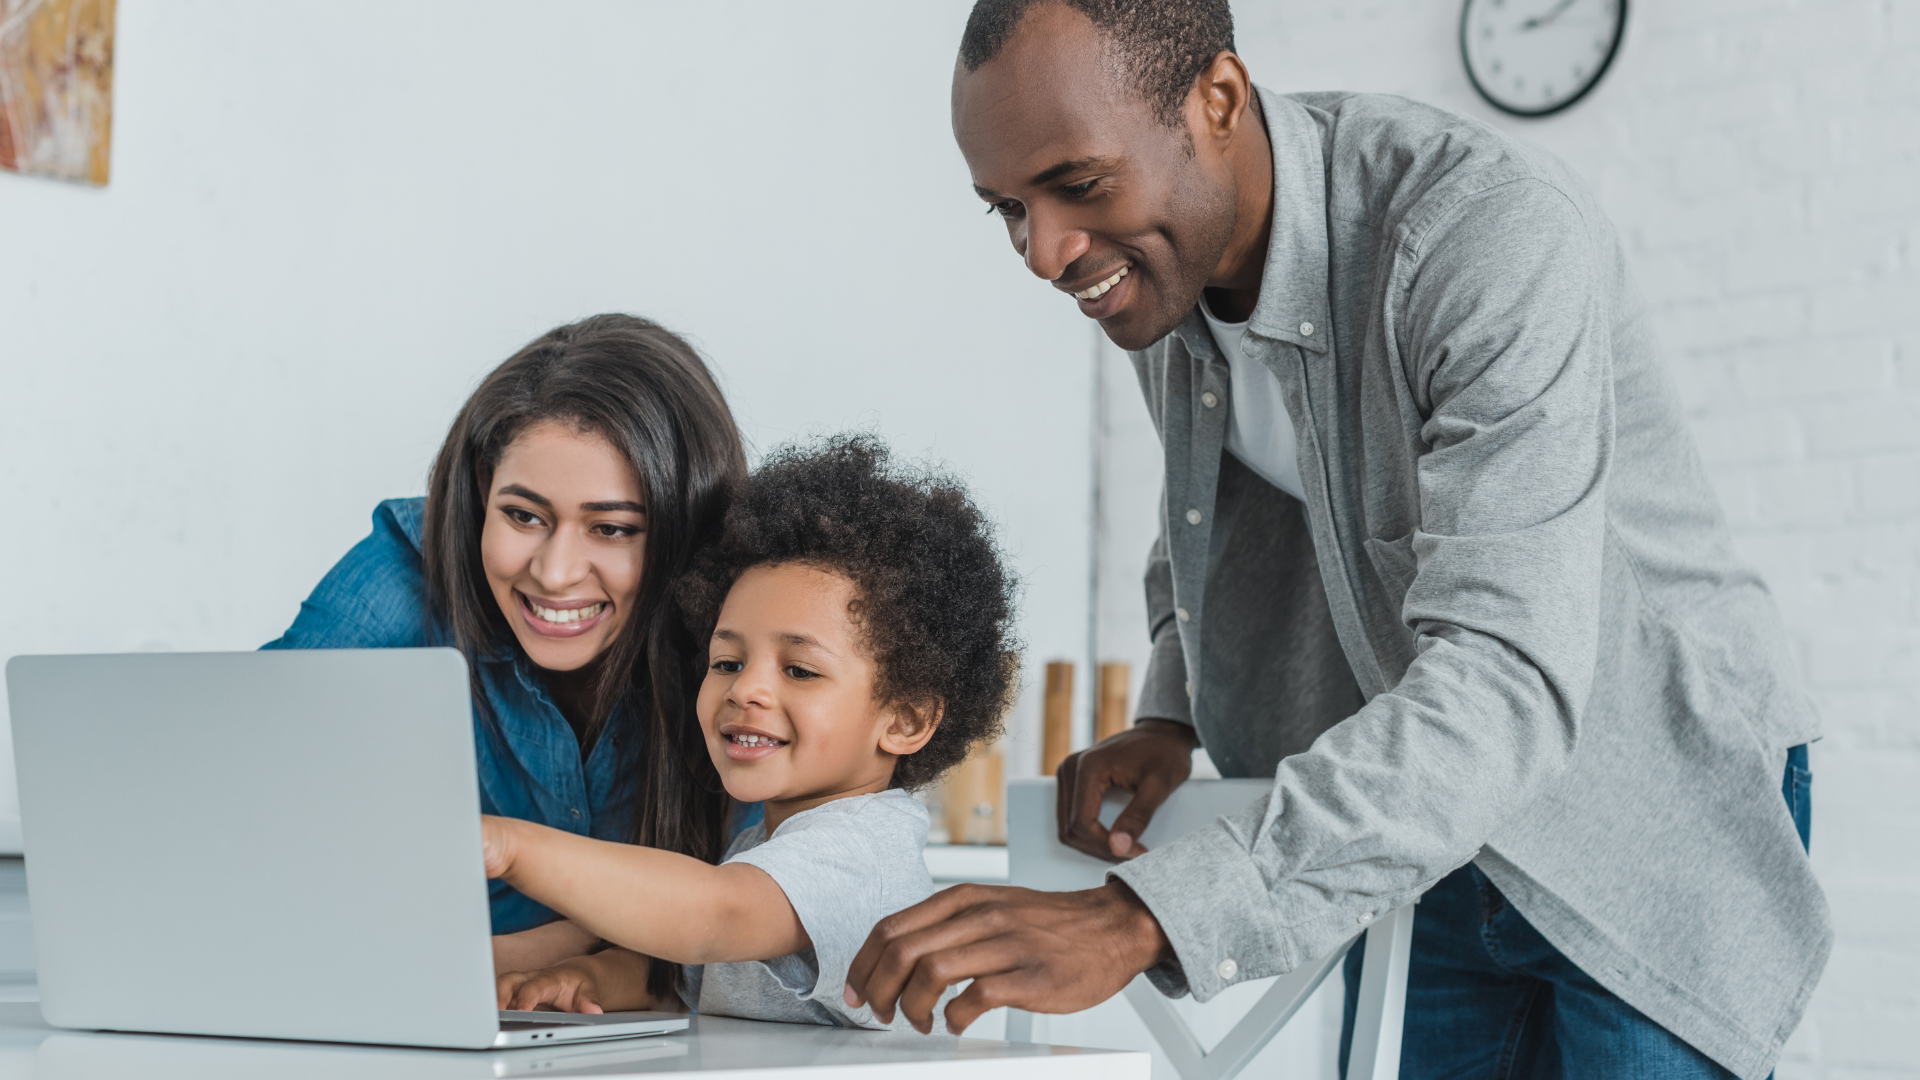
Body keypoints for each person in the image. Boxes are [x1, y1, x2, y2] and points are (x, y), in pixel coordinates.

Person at [844, 3, 1827, 1077]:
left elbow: (1508, 674)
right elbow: (1209, 513)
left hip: (1641, 793)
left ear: (1218, 100)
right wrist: (1173, 711)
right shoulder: (1159, 271)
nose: (1046, 253)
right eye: (1008, 210)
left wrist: (1143, 917)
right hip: (1423, 803)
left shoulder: (1481, 231)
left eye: (1078, 184)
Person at [264, 314, 748, 985]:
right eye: (523, 515)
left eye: (611, 528)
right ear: (483, 486)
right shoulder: (409, 569)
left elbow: (767, 913)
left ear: (685, 527)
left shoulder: (750, 625)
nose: (555, 573)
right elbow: (246, 767)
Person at [480, 436, 1020, 1028]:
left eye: (800, 670)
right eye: (728, 662)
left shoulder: (862, 851)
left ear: (905, 719)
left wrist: (513, 847)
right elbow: (682, 981)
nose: (745, 690)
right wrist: (588, 979)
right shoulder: (760, 848)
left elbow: (711, 919)